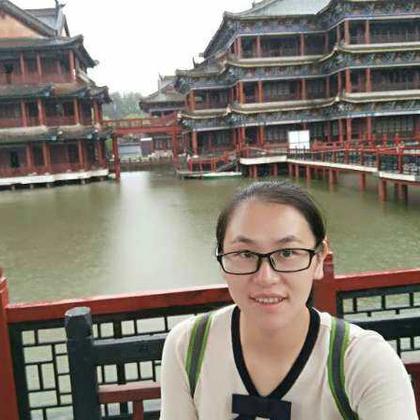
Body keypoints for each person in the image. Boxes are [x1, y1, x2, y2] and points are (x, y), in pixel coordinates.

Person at [160, 181, 417, 419]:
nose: (266, 278)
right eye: (245, 254)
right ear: (221, 261)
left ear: (319, 258)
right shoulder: (189, 346)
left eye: (287, 253)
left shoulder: (362, 361)